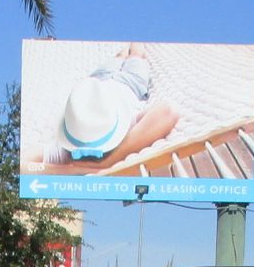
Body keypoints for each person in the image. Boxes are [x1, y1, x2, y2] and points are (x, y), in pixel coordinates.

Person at [24, 43, 182, 175]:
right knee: (128, 56)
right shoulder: (72, 142)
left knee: (136, 53)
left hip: (104, 84)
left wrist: (106, 162)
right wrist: (71, 170)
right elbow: (20, 166)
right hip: (119, 83)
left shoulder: (67, 152)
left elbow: (169, 110)